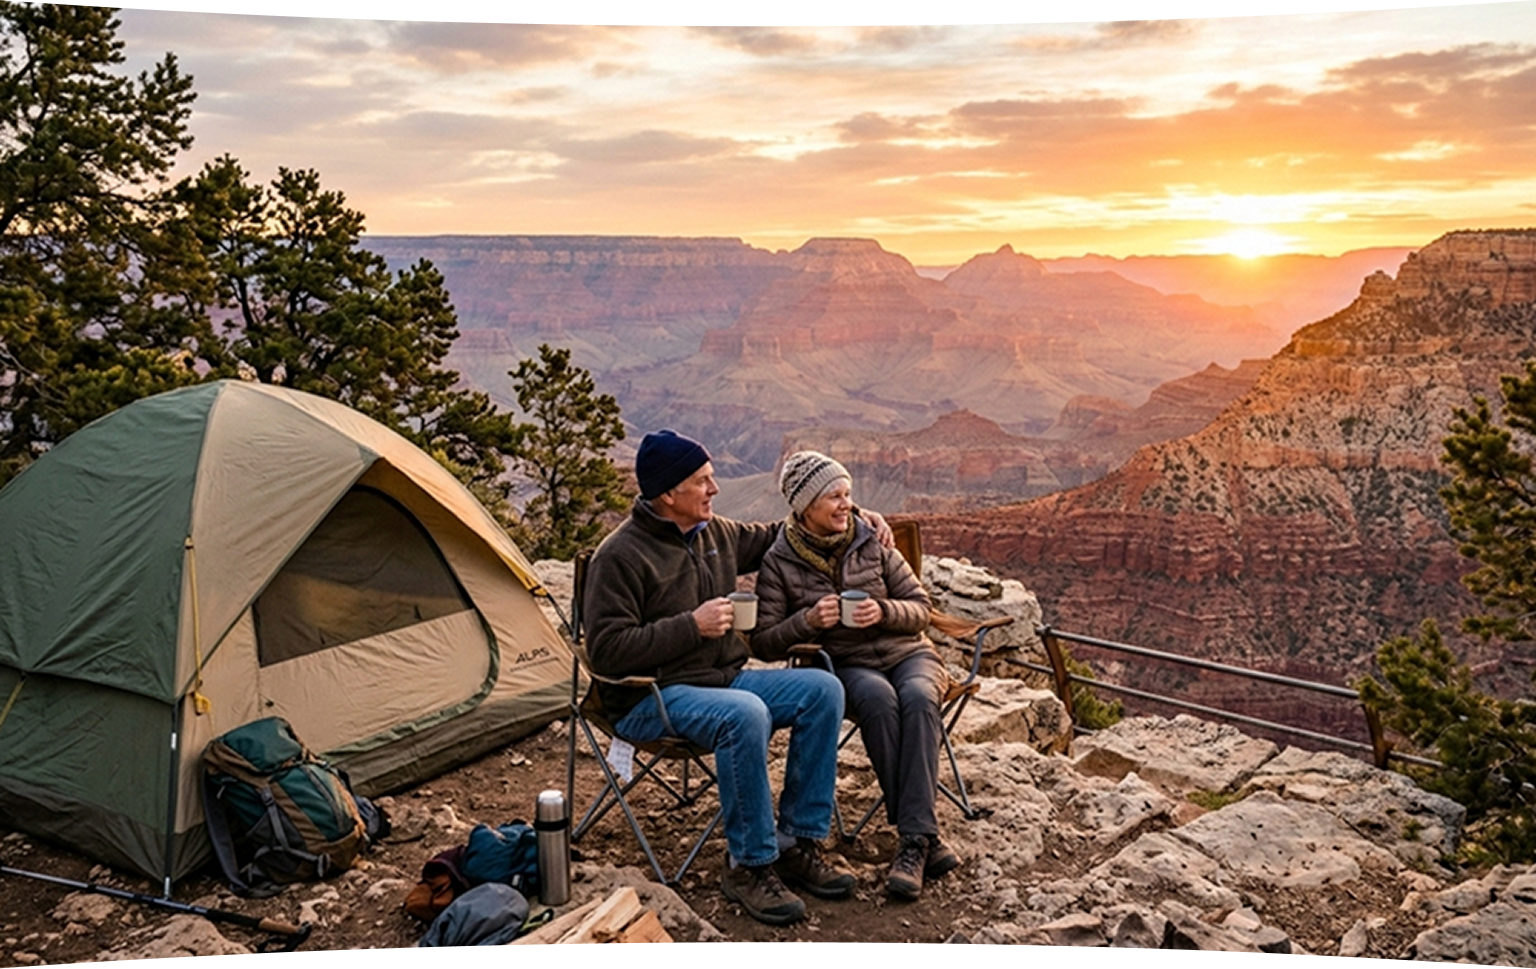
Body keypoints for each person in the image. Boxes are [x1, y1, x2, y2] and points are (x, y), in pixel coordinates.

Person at [585, 430, 890, 926]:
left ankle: (796, 843)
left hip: (719, 680)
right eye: (703, 481)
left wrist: (856, 516)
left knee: (823, 690)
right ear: (667, 494)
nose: (715, 489)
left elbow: (781, 533)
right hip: (650, 699)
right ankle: (748, 865)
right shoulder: (619, 556)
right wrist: (692, 626)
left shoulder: (715, 533)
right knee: (744, 714)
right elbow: (606, 651)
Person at [752, 451, 960, 900]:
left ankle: (914, 839)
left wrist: (882, 611)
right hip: (848, 665)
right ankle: (925, 840)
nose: (846, 504)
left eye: (848, 494)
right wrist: (808, 621)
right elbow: (764, 641)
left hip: (910, 654)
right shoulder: (779, 562)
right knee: (879, 702)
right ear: (805, 506)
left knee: (922, 698)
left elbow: (921, 609)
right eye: (834, 496)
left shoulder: (873, 540)